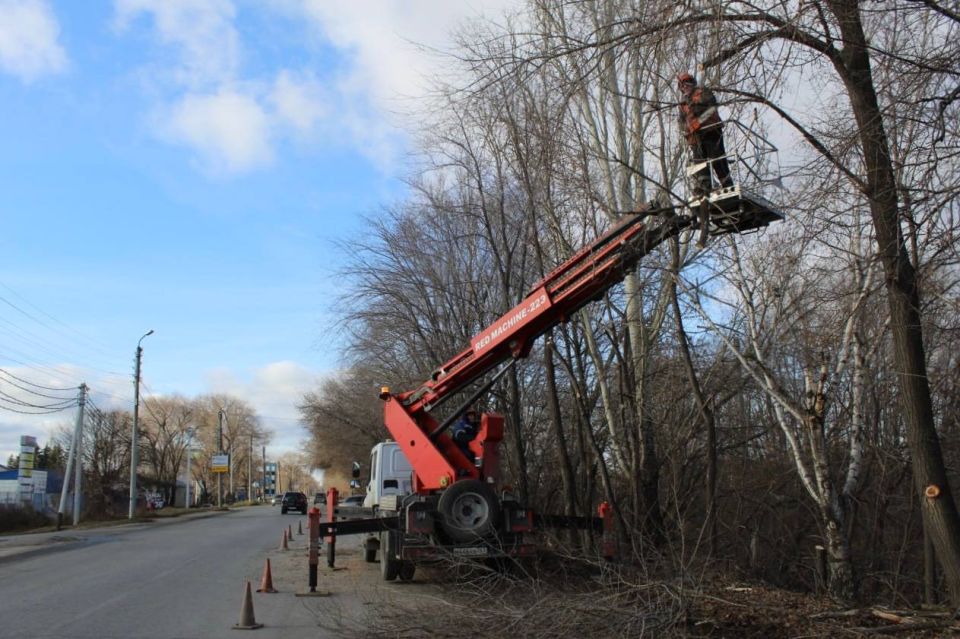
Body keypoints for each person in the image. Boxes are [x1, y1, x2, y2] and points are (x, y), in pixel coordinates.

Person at [677, 72, 733, 196]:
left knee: (717, 158)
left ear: (692, 82)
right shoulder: (682, 105)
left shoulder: (702, 92)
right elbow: (681, 121)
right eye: (682, 85)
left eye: (686, 82)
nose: (684, 86)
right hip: (695, 137)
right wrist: (687, 129)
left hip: (711, 130)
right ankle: (704, 188)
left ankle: (727, 185)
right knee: (699, 163)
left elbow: (712, 108)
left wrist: (699, 121)